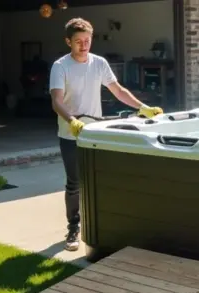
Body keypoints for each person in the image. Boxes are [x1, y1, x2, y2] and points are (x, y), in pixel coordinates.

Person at [49, 17, 164, 251]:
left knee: (100, 180)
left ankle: (106, 227)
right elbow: (56, 101)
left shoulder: (99, 63)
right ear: (68, 42)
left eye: (87, 40)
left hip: (94, 134)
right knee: (75, 183)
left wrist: (142, 107)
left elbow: (118, 91)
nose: (84, 45)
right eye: (78, 41)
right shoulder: (60, 66)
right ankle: (73, 228)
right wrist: (71, 121)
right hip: (70, 134)